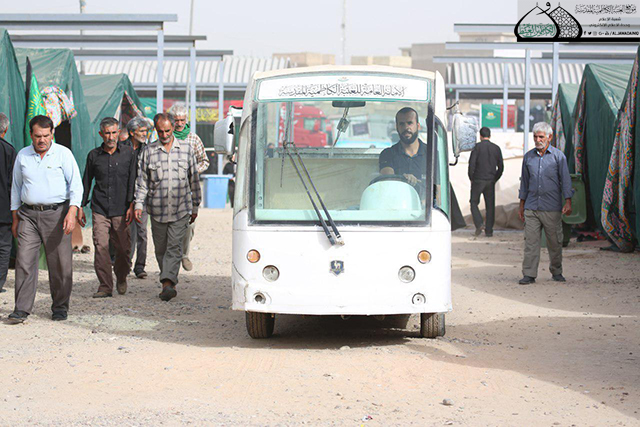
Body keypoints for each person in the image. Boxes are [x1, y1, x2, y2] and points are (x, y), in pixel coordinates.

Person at [8, 115, 83, 323]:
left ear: (52, 134)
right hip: (28, 216)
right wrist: (15, 217)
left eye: (46, 135)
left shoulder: (63, 154)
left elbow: (76, 185)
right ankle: (21, 309)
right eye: (38, 136)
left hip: (57, 215)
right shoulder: (23, 155)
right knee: (24, 261)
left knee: (60, 264)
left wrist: (72, 212)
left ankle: (60, 307)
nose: (42, 140)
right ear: (31, 135)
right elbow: (16, 187)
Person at [134, 113, 201, 301]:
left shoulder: (186, 150)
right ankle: (168, 279)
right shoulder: (148, 152)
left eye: (167, 131)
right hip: (158, 210)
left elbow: (194, 180)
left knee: (174, 246)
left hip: (181, 209)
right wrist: (138, 204)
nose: (164, 135)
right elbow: (142, 182)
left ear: (173, 129)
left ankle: (168, 283)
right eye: (160, 131)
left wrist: (195, 206)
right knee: (161, 249)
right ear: (156, 130)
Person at [80, 117, 137, 298]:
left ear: (118, 132)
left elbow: (133, 180)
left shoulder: (129, 154)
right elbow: (86, 181)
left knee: (123, 249)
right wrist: (81, 206)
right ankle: (105, 286)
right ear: (101, 134)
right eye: (107, 133)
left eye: (113, 133)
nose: (111, 137)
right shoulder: (93, 156)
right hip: (100, 208)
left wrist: (132, 204)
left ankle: (121, 276)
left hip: (122, 209)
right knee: (101, 246)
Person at [518, 121, 573, 285]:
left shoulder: (558, 157)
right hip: (531, 207)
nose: (537, 140)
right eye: (535, 137)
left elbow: (566, 181)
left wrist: (568, 201)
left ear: (549, 137)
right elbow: (524, 183)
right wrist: (521, 205)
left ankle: (557, 271)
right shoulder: (528, 157)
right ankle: (529, 274)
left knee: (554, 242)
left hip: (551, 208)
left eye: (541, 137)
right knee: (531, 243)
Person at [167, 103, 209, 272]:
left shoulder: (194, 139)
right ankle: (170, 257)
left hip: (188, 189)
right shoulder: (166, 137)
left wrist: (193, 170)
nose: (179, 124)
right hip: (167, 188)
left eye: (182, 120)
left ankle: (184, 254)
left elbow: (204, 161)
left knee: (189, 224)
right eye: (176, 120)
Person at [379, 107, 431, 199]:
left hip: (424, 206)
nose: (406, 127)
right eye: (402, 124)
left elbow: (438, 192)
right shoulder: (387, 154)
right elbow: (388, 181)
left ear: (418, 126)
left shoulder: (432, 154)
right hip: (396, 203)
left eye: (410, 123)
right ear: (397, 127)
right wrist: (402, 179)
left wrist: (417, 182)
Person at [123, 117, 150, 279]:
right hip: (124, 198)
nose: (144, 134)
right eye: (141, 131)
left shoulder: (147, 150)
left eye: (146, 131)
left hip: (142, 197)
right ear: (132, 133)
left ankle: (140, 266)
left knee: (142, 232)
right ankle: (125, 263)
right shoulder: (121, 149)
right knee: (125, 232)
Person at [468, 127, 504, 237]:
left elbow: (471, 165)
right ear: (490, 135)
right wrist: (495, 178)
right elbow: (501, 167)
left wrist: (472, 178)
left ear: (480, 136)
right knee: (490, 206)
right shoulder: (496, 148)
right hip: (490, 180)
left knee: (474, 202)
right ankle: (489, 231)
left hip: (478, 180)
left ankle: (479, 224)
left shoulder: (476, 148)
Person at [0, 113, 17, 294]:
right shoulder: (9, 151)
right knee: (4, 247)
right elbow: (14, 183)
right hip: (3, 209)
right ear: (5, 130)